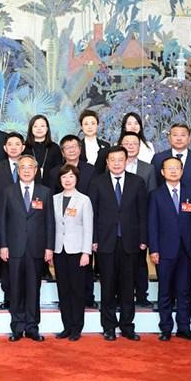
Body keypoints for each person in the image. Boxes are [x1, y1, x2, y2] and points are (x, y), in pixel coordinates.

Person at [90, 146, 148, 341]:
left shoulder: (137, 182)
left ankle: (127, 326)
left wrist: (143, 239)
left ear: (126, 161)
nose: (116, 163)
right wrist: (94, 239)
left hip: (130, 242)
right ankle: (109, 326)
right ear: (107, 162)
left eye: (120, 159)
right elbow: (93, 214)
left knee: (128, 286)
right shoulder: (97, 182)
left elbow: (143, 213)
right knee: (107, 286)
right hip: (105, 242)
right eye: (112, 160)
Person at [150, 123, 191, 307]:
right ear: (169, 137)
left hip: (188, 224)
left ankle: (188, 297)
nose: (179, 138)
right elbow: (156, 189)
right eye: (175, 134)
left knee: (187, 277)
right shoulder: (158, 158)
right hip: (166, 227)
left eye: (183, 135)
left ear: (189, 138)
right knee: (166, 284)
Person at [148, 156, 191, 342]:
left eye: (176, 168)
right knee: (165, 291)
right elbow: (152, 225)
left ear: (182, 171)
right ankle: (165, 328)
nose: (173, 171)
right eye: (169, 168)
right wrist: (154, 249)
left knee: (185, 291)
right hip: (164, 251)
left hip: (188, 251)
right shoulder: (156, 195)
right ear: (162, 172)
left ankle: (184, 327)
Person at [0, 155, 54, 342]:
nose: (27, 170)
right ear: (18, 170)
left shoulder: (45, 192)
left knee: (33, 289)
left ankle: (32, 327)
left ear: (36, 170)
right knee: (15, 289)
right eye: (23, 167)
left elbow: (50, 222)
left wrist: (49, 247)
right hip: (14, 248)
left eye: (30, 167)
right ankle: (17, 327)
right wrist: (3, 245)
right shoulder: (8, 192)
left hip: (36, 249)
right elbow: (2, 221)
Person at [47, 134, 96, 308]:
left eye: (74, 146)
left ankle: (87, 299)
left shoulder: (91, 170)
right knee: (64, 280)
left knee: (84, 272)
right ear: (62, 152)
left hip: (82, 230)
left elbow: (95, 199)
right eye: (67, 147)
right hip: (61, 237)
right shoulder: (54, 172)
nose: (71, 150)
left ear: (80, 149)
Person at [52, 164, 93, 341]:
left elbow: (88, 228)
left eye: (71, 176)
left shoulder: (84, 200)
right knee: (63, 290)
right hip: (59, 250)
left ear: (76, 179)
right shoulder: (54, 199)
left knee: (77, 290)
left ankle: (77, 327)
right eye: (64, 177)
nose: (67, 180)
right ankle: (67, 326)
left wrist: (86, 252)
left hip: (77, 251)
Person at [119, 131, 156, 308]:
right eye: (126, 143)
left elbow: (152, 197)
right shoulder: (114, 165)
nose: (130, 146)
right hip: (118, 224)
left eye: (134, 143)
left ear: (139, 146)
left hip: (139, 223)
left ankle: (141, 295)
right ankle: (120, 296)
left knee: (140, 262)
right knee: (119, 264)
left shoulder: (148, 169)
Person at [0, 132, 26, 304]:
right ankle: (8, 297)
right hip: (4, 221)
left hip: (26, 223)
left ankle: (22, 299)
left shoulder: (30, 166)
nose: (13, 147)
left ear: (23, 147)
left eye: (17, 144)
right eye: (10, 144)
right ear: (4, 148)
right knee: (6, 262)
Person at [24, 114, 62, 181]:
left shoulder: (55, 147)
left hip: (51, 184)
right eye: (35, 126)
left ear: (47, 129)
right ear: (31, 129)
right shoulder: (24, 148)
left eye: (42, 126)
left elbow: (58, 169)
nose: (39, 129)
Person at [79, 110, 110, 175]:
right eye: (86, 124)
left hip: (101, 180)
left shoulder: (106, 146)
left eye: (93, 123)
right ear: (81, 127)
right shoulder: (77, 146)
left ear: (97, 125)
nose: (89, 127)